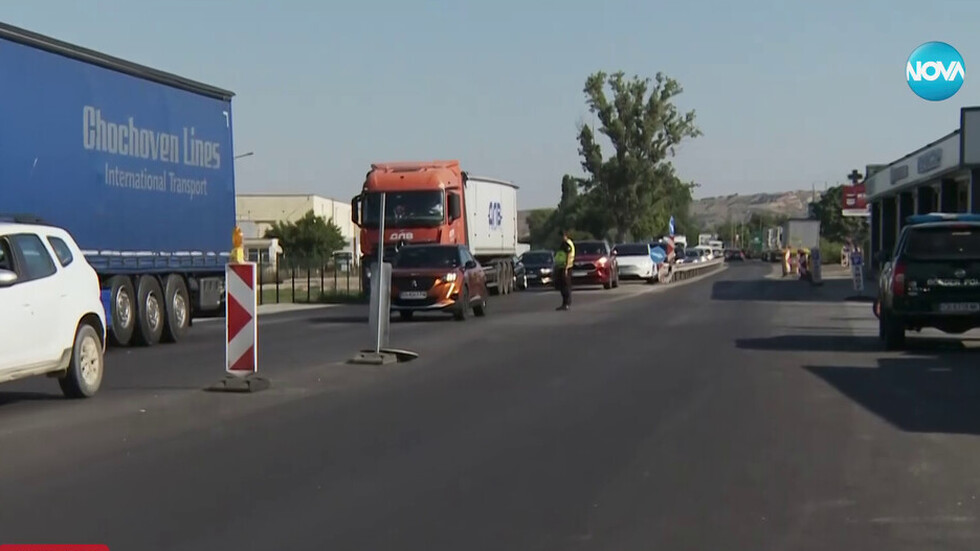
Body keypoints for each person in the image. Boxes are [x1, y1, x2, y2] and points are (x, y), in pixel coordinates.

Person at [554, 229, 575, 310]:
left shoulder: (566, 244)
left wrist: (566, 268)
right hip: (563, 267)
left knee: (565, 286)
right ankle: (565, 303)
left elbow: (568, 255)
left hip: (565, 267)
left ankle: (566, 303)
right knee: (563, 286)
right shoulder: (566, 243)